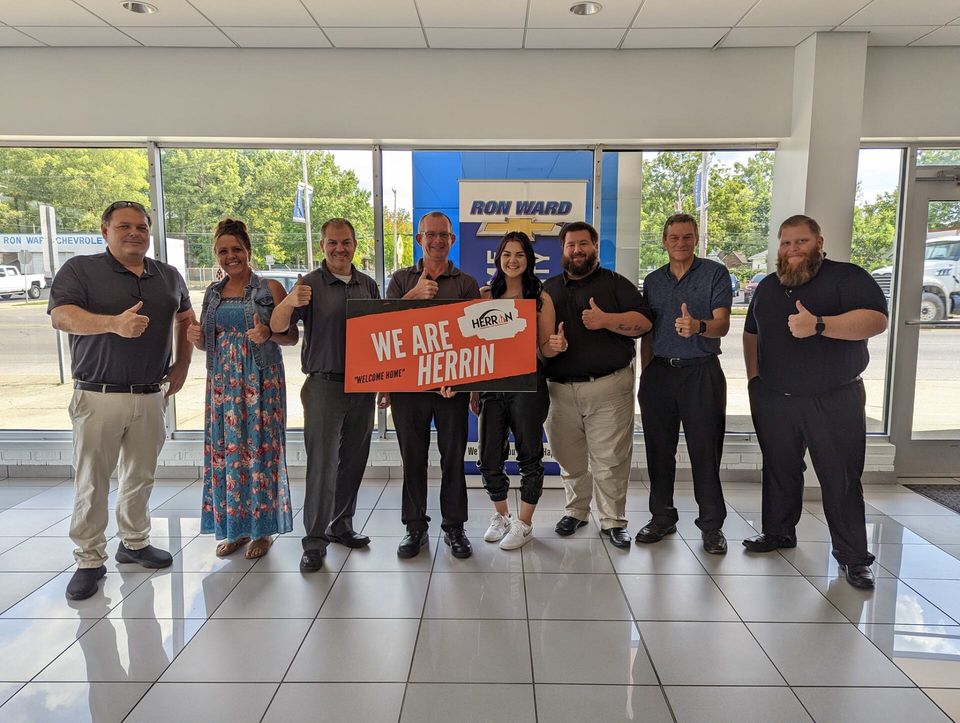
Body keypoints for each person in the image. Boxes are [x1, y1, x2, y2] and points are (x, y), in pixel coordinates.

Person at [48, 200, 193, 600]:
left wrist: (181, 365)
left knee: (140, 476)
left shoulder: (167, 275)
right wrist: (113, 324)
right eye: (124, 227)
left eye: (142, 228)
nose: (134, 234)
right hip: (99, 394)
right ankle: (89, 560)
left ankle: (133, 543)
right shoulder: (81, 270)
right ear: (105, 230)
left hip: (150, 395)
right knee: (93, 482)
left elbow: (185, 320)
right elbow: (61, 316)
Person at [743, 214, 888, 589]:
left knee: (839, 478)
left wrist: (820, 324)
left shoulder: (848, 277)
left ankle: (853, 557)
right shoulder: (769, 286)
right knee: (779, 470)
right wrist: (754, 381)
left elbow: (875, 320)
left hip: (834, 397)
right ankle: (778, 532)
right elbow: (751, 332)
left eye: (801, 241)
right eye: (786, 242)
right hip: (775, 397)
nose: (792, 249)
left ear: (819, 242)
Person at [270, 218, 380, 572]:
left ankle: (341, 524)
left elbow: (384, 335)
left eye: (346, 242)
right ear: (322, 246)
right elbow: (277, 326)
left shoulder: (369, 284)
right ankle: (314, 540)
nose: (339, 248)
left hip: (363, 385)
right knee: (322, 463)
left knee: (353, 459)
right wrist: (289, 302)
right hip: (324, 385)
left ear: (354, 244)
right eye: (332, 243)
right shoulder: (309, 284)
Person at [187, 219, 297, 561]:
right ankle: (236, 528)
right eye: (223, 251)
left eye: (237, 249)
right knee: (228, 453)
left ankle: (263, 530)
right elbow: (210, 341)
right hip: (223, 384)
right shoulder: (213, 293)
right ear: (216, 255)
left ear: (248, 250)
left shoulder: (270, 288)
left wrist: (268, 333)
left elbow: (291, 337)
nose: (230, 256)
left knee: (260, 451)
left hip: (261, 380)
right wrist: (197, 339)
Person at [542, 221, 652, 548]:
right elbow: (539, 340)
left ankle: (612, 520)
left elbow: (644, 324)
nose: (577, 250)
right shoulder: (549, 289)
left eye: (583, 244)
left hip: (608, 387)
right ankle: (576, 511)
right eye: (570, 245)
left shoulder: (616, 285)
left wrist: (606, 321)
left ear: (594, 248)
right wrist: (552, 346)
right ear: (562, 251)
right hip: (559, 389)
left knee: (611, 459)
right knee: (569, 458)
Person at [382, 211, 481, 559]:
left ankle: (455, 527)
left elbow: (474, 338)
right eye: (430, 235)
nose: (437, 241)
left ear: (452, 240)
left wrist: (465, 383)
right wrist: (414, 296)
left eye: (444, 235)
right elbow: (383, 329)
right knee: (414, 459)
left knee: (453, 458)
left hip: (450, 388)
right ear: (419, 239)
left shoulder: (466, 283)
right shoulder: (399, 280)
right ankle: (415, 527)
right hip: (408, 389)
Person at [636, 213, 731, 554]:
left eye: (687, 237)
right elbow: (648, 332)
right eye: (674, 237)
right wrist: (646, 376)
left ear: (696, 240)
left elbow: (722, 325)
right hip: (660, 373)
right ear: (664, 241)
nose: (681, 243)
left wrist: (699, 327)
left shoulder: (715, 274)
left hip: (701, 372)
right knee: (659, 452)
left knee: (705, 452)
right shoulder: (653, 280)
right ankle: (662, 517)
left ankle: (711, 525)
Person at [474, 231, 563, 550]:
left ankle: (524, 523)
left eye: (520, 255)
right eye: (507, 254)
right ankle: (502, 516)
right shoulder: (485, 297)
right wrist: (474, 391)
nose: (513, 260)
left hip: (528, 385)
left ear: (529, 260)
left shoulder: (540, 298)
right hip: (492, 387)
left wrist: (556, 345)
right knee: (488, 459)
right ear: (499, 258)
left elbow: (545, 348)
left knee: (529, 456)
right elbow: (474, 349)